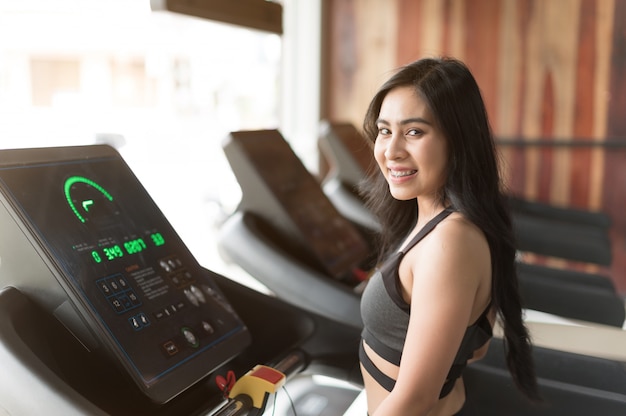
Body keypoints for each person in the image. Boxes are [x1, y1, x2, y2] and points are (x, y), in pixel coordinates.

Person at [357, 57, 540, 415]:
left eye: (414, 132)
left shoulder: (449, 241)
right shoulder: (436, 223)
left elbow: (416, 399)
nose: (391, 150)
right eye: (384, 130)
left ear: (458, 140)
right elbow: (474, 347)